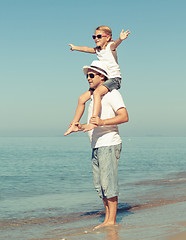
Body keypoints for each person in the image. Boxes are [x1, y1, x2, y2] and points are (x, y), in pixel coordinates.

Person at [66, 60, 129, 230]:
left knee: (109, 183)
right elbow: (94, 124)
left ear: (102, 77)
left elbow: (124, 117)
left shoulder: (112, 94)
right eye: (87, 75)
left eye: (91, 75)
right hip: (96, 146)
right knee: (100, 185)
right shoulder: (95, 98)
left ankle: (111, 221)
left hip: (109, 143)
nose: (88, 78)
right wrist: (81, 127)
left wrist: (101, 122)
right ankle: (107, 218)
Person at [64, 25, 130, 135]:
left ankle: (94, 121)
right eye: (94, 37)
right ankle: (74, 124)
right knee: (81, 99)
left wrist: (120, 39)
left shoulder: (110, 47)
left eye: (99, 36)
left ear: (108, 37)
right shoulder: (98, 50)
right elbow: (86, 49)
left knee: (97, 93)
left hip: (114, 79)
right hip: (106, 79)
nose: (96, 39)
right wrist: (75, 48)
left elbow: (115, 44)